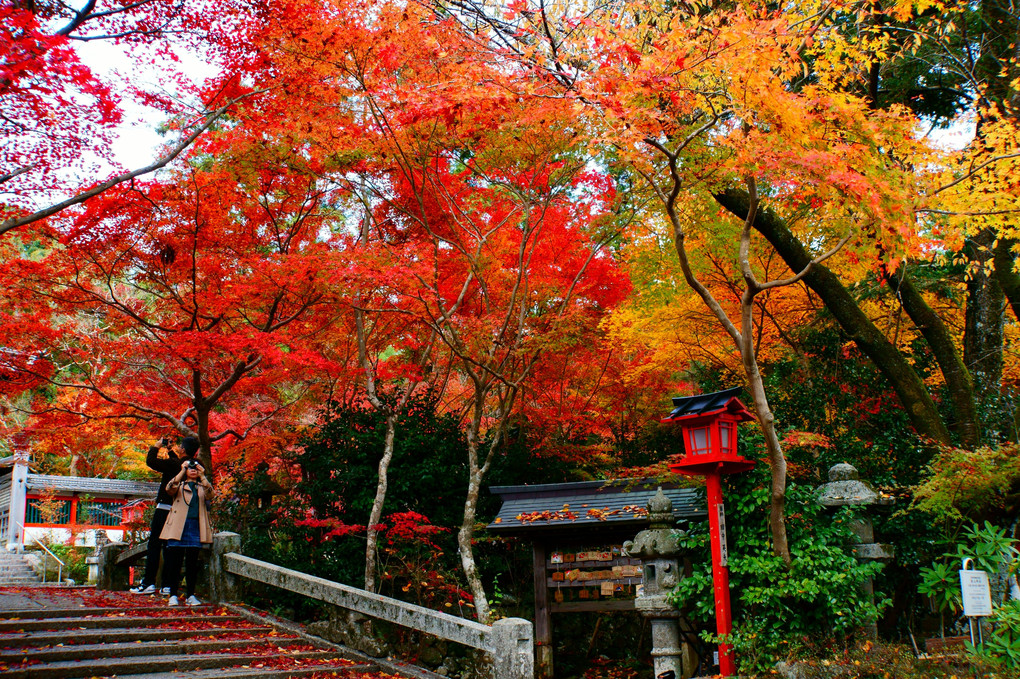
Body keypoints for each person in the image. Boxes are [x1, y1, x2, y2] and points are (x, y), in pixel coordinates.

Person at [129, 436, 200, 595]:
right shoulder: (194, 466)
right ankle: (168, 584)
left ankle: (148, 583)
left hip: (165, 508)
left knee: (154, 545)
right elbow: (177, 464)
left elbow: (151, 462)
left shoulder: (173, 465)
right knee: (171, 547)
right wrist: (170, 451)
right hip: (182, 511)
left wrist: (156, 446)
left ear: (183, 449)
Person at [159, 457, 214, 606]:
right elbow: (169, 488)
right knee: (174, 563)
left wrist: (203, 475)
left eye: (196, 467)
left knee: (192, 563)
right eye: (191, 467)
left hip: (195, 526)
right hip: (178, 526)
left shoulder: (202, 487)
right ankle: (172, 595)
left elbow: (211, 494)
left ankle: (191, 595)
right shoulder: (179, 485)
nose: (193, 469)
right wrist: (181, 470)